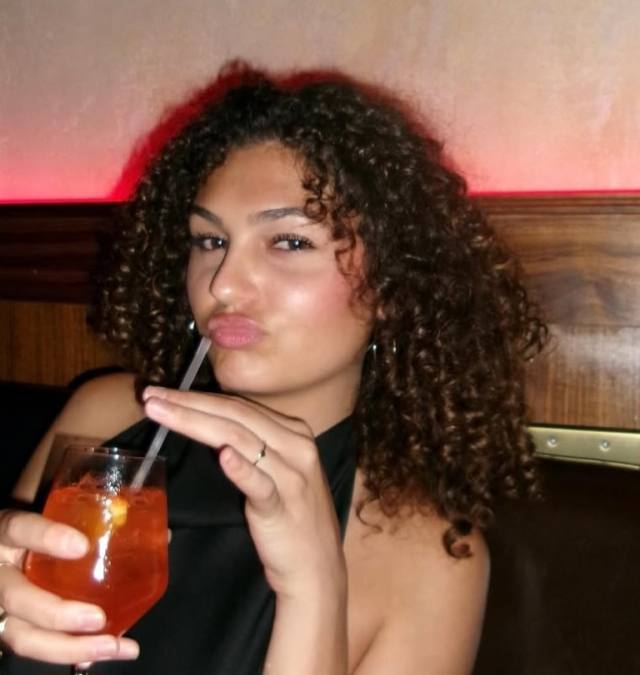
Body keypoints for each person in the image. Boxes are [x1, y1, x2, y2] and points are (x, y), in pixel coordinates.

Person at [0, 64, 546, 674]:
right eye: (209, 241)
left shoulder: (429, 556)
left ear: (392, 284)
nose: (223, 285)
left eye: (289, 242)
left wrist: (314, 590)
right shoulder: (103, 420)